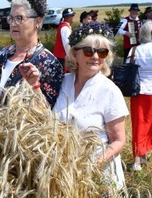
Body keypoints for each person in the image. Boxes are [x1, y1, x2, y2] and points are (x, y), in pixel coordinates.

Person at [53, 22, 129, 189]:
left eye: (102, 52)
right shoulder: (62, 83)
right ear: (74, 53)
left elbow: (118, 140)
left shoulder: (110, 91)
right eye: (89, 51)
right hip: (62, 176)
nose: (95, 57)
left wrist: (92, 166)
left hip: (98, 180)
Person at [0, 0, 64, 111]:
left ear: (37, 22)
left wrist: (34, 86)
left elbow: (47, 113)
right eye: (11, 18)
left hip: (22, 130)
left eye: (19, 18)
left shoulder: (49, 64)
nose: (13, 24)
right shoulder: (3, 54)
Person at [126, 21, 152, 171]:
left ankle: (137, 160)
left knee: (139, 124)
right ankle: (144, 152)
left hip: (139, 91)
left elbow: (128, 67)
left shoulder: (134, 50)